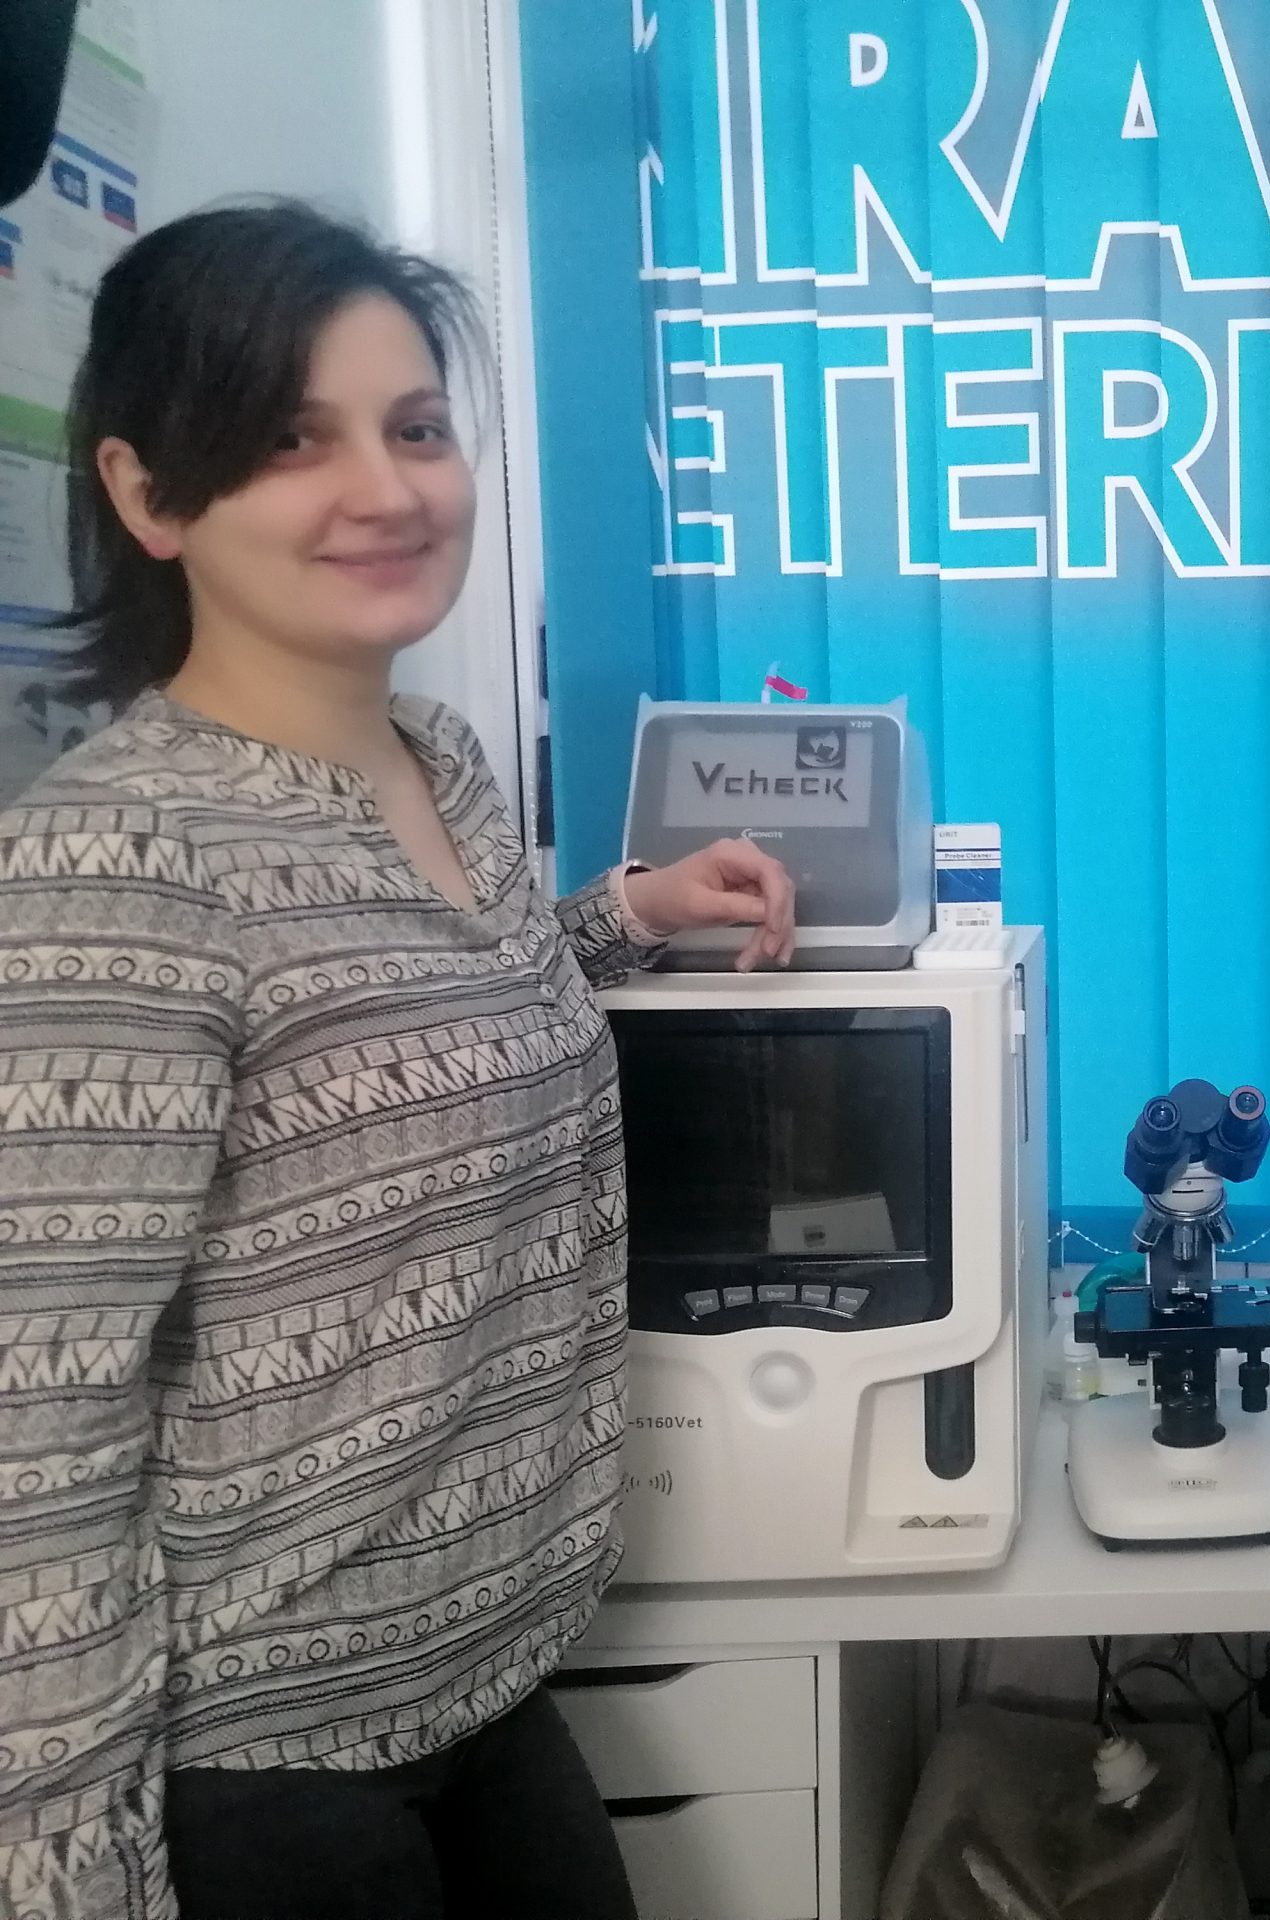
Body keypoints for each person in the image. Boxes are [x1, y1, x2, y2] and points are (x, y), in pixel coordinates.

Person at [0, 201, 797, 1919]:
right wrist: (72, 1878)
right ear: (148, 494)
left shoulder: (439, 763)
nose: (387, 488)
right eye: (295, 440)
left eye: (417, 427)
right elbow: (36, 1428)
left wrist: (627, 915)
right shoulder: (118, 862)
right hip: (270, 1756)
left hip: (483, 1675)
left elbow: (426, 1025)